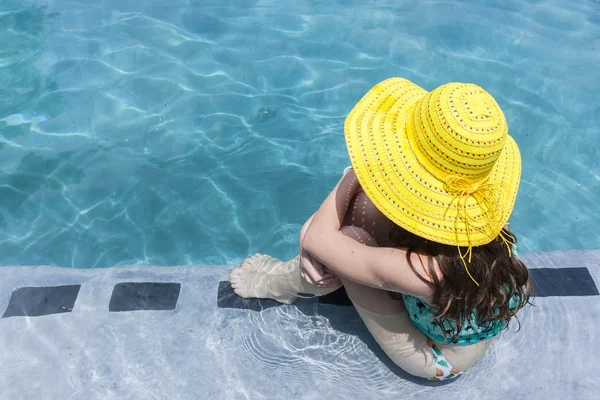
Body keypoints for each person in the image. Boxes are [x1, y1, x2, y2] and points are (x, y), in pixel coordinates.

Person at [229, 78, 532, 381]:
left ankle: (280, 284)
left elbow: (319, 239)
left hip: (435, 356)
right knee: (369, 202)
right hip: (462, 312)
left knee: (345, 240)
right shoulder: (487, 210)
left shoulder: (428, 270)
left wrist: (357, 173)